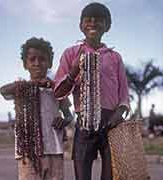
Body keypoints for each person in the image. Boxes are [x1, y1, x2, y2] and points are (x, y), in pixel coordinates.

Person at [54, 2, 129, 180]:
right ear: (81, 25)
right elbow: (58, 92)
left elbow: (124, 94)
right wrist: (73, 72)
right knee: (82, 173)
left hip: (111, 124)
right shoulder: (71, 53)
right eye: (88, 19)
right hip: (84, 124)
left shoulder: (114, 57)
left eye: (99, 20)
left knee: (111, 174)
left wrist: (119, 114)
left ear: (107, 26)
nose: (93, 23)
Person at [0, 37, 73, 180]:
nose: (37, 63)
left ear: (50, 63)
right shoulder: (20, 89)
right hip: (28, 152)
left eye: (42, 59)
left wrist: (63, 121)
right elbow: (3, 90)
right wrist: (29, 85)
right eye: (32, 59)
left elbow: (69, 116)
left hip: (55, 150)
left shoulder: (56, 89)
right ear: (25, 64)